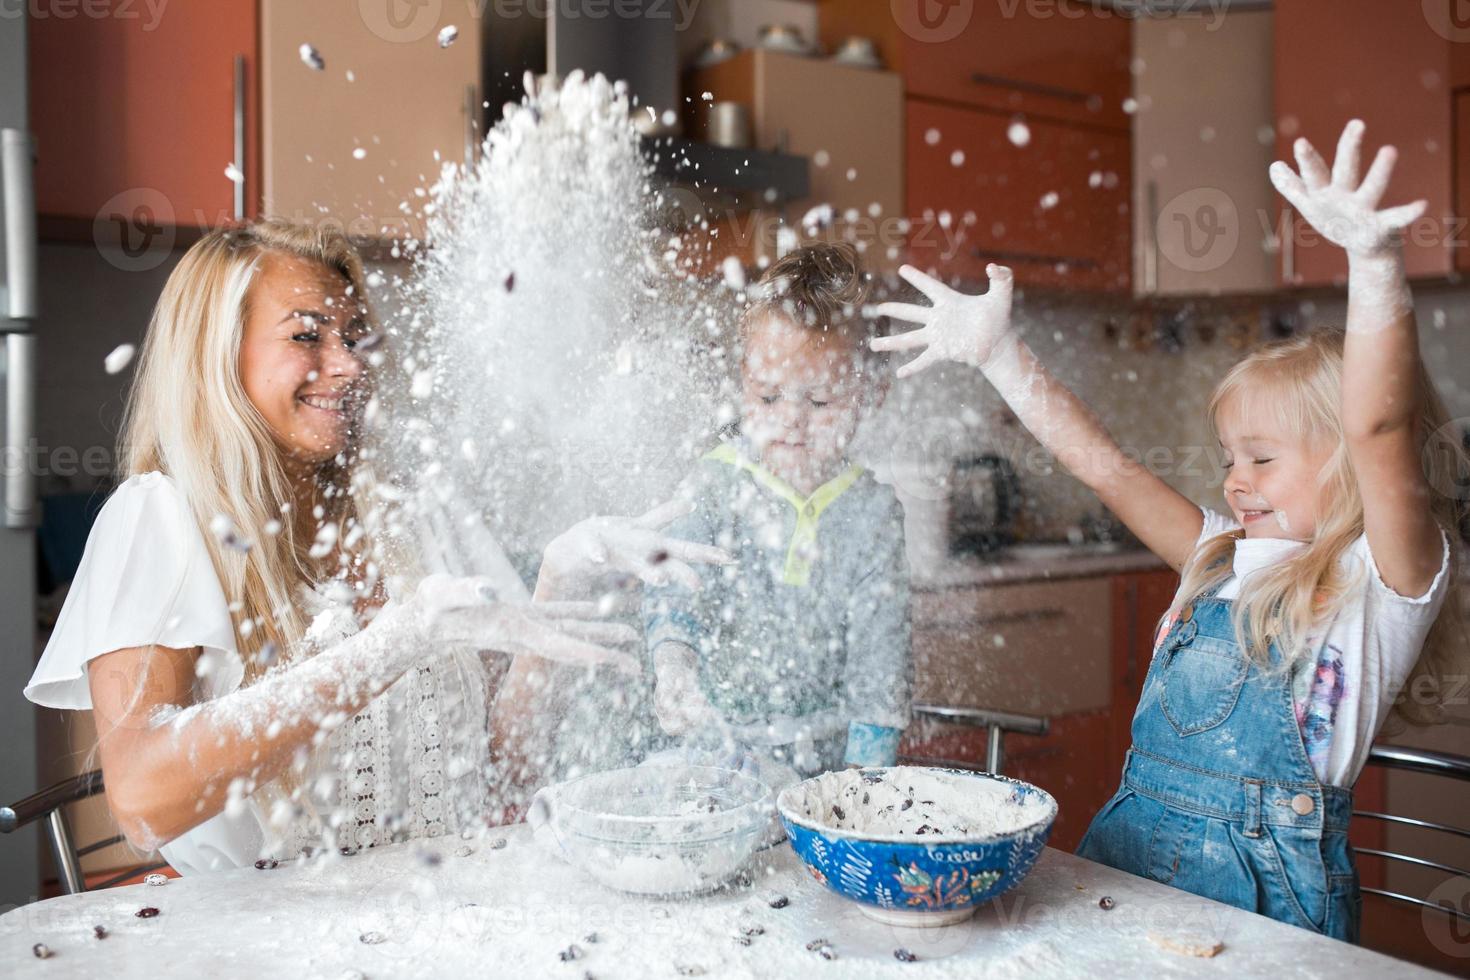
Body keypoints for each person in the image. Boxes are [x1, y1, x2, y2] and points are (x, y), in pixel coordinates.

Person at [870, 121, 1466, 941]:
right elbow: (1109, 469)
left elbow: (1380, 427)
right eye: (1229, 457)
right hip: (1126, 865)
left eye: (1261, 458)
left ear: (1349, 470)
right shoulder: (1216, 554)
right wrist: (1002, 356)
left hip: (1270, 909)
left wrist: (1373, 264)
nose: (1234, 479)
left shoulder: (1383, 584)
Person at [24, 219, 724, 874]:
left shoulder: (414, 510)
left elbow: (504, 767)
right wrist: (386, 646)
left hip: (435, 912)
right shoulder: (160, 519)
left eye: (354, 336)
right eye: (307, 337)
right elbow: (144, 802)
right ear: (218, 356)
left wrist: (555, 584)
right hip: (254, 944)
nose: (350, 365)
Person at [643, 243, 912, 787]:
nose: (792, 421)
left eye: (819, 404)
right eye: (768, 398)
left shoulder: (872, 513)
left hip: (824, 772)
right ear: (744, 381)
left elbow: (879, 666)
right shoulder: (713, 484)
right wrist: (673, 668)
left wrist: (862, 788)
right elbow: (673, 590)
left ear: (870, 392)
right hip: (711, 757)